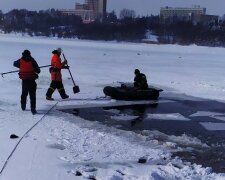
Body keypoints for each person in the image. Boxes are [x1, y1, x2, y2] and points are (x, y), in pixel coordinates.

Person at [13, 49, 40, 115]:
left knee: (24, 93)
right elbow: (38, 70)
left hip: (24, 81)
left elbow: (14, 64)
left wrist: (21, 66)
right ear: (30, 54)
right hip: (31, 80)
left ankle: (23, 106)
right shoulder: (32, 60)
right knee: (32, 95)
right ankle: (33, 109)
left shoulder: (20, 60)